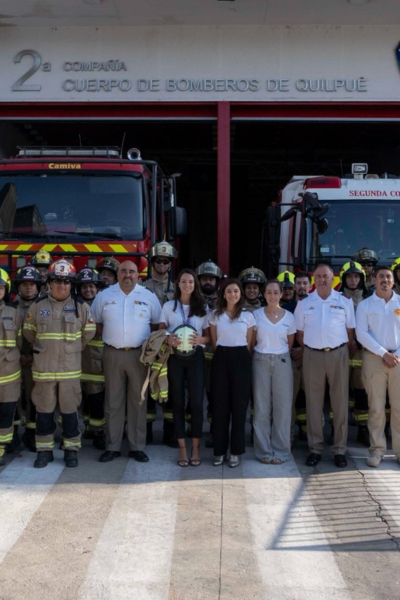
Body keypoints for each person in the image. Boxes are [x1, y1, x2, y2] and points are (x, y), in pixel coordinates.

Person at [23, 260, 96, 468]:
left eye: (65, 281)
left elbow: (88, 334)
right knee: (44, 413)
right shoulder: (37, 306)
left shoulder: (81, 307)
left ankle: (71, 450)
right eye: (57, 281)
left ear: (71, 284)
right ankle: (44, 451)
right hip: (44, 371)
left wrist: (72, 348)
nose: (61, 285)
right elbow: (29, 332)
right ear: (49, 283)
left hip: (70, 372)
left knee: (70, 413)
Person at [91, 260, 162, 463]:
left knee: (138, 401)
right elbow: (97, 323)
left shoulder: (148, 296)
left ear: (138, 274)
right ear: (117, 274)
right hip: (112, 354)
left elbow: (156, 325)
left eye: (132, 271)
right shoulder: (104, 295)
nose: (127, 275)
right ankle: (112, 446)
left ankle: (136, 446)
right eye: (123, 271)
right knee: (113, 401)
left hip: (139, 355)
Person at [294, 263, 356, 468]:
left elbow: (350, 334)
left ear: (333, 278)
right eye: (318, 276)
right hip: (312, 355)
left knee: (339, 403)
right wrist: (313, 348)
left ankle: (339, 450)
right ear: (314, 279)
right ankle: (315, 449)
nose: (322, 279)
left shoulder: (344, 302)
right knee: (314, 404)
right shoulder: (304, 303)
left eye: (326, 276)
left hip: (338, 354)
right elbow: (300, 335)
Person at [159, 269, 209, 467]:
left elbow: (209, 336)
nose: (187, 285)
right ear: (177, 284)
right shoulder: (169, 306)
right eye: (183, 281)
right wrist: (167, 338)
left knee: (197, 403)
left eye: (191, 281)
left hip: (196, 357)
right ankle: (181, 448)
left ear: (195, 284)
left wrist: (202, 339)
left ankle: (195, 447)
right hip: (175, 358)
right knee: (177, 402)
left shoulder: (203, 307)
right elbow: (160, 331)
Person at [356, 266, 400, 468]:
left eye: (388, 276)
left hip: (398, 359)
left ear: (393, 280)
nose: (385, 279)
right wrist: (384, 353)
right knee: (376, 408)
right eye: (381, 276)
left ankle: (398, 451)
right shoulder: (365, 305)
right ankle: (377, 451)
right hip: (374, 359)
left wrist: (395, 355)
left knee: (399, 408)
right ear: (374, 279)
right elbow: (361, 334)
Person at [209, 279, 255, 468]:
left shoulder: (248, 316)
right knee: (220, 406)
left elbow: (250, 343)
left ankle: (236, 451)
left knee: (239, 406)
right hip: (221, 358)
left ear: (240, 294)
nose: (233, 294)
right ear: (223, 294)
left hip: (241, 359)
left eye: (236, 291)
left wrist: (240, 357)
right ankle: (219, 451)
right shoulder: (214, 315)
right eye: (229, 291)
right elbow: (214, 341)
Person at [252, 280, 296, 464]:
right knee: (261, 408)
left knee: (283, 408)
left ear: (281, 294)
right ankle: (263, 451)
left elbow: (290, 343)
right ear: (264, 294)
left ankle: (281, 451)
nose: (272, 296)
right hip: (260, 360)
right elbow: (252, 341)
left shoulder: (289, 317)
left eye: (276, 292)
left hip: (282, 361)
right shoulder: (255, 315)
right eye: (269, 292)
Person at [142, 241, 178, 447]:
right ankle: (146, 432)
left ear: (171, 264)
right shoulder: (142, 288)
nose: (162, 265)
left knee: (170, 389)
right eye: (158, 261)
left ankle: (170, 433)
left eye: (166, 261)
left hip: (171, 347)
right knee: (147, 388)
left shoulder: (178, 288)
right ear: (152, 262)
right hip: (148, 345)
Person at [339, 261, 370, 446]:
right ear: (344, 279)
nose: (352, 280)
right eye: (349, 277)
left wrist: (358, 343)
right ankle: (336, 428)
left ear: (361, 279)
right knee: (340, 391)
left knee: (361, 391)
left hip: (361, 351)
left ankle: (362, 428)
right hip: (342, 349)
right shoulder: (337, 299)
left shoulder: (368, 300)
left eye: (356, 277)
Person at [12, 265, 42, 453]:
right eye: (24, 284)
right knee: (12, 399)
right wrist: (17, 355)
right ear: (18, 287)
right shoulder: (10, 308)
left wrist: (31, 355)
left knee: (34, 399)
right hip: (12, 362)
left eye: (32, 284)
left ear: (38, 286)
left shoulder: (43, 308)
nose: (28, 288)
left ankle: (31, 434)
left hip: (35, 361)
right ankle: (12, 434)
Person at [76, 267, 106, 450]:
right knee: (81, 399)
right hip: (77, 358)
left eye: (92, 286)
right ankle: (87, 427)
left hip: (96, 360)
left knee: (96, 398)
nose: (88, 290)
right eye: (85, 287)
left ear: (97, 287)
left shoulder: (102, 305)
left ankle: (99, 432)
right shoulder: (74, 306)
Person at [195, 260, 223, 446]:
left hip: (216, 357)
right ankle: (192, 430)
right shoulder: (191, 300)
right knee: (193, 397)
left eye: (211, 279)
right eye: (204, 278)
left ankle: (215, 432)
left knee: (216, 397)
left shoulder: (223, 302)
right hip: (194, 357)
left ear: (217, 281)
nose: (207, 282)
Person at [284, 271, 312, 442]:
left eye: (305, 284)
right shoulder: (286, 309)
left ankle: (310, 434)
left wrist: (305, 350)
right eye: (299, 283)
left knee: (312, 400)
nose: (301, 287)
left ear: (310, 286)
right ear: (294, 287)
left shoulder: (316, 306)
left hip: (311, 358)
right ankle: (288, 435)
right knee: (289, 400)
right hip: (291, 359)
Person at [0, 269, 21, 466]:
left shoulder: (13, 313)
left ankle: (1, 448)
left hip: (9, 374)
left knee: (6, 412)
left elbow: (21, 340)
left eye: (0, 287)